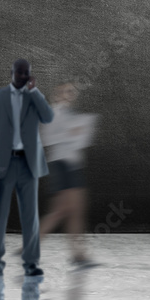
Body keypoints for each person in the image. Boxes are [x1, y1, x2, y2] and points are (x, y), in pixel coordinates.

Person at [0, 58, 53, 278]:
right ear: (11, 72)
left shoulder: (34, 97)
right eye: (20, 73)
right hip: (3, 164)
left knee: (30, 217)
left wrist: (35, 91)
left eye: (27, 74)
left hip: (29, 165)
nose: (23, 77)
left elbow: (48, 117)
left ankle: (31, 262)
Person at [38, 82, 98, 268]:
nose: (70, 94)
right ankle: (77, 255)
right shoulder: (53, 113)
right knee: (69, 211)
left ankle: (76, 254)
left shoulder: (72, 114)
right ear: (57, 94)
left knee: (66, 211)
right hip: (63, 165)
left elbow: (80, 138)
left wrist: (76, 133)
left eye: (71, 91)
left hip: (71, 165)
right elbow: (46, 137)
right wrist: (71, 133)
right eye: (65, 91)